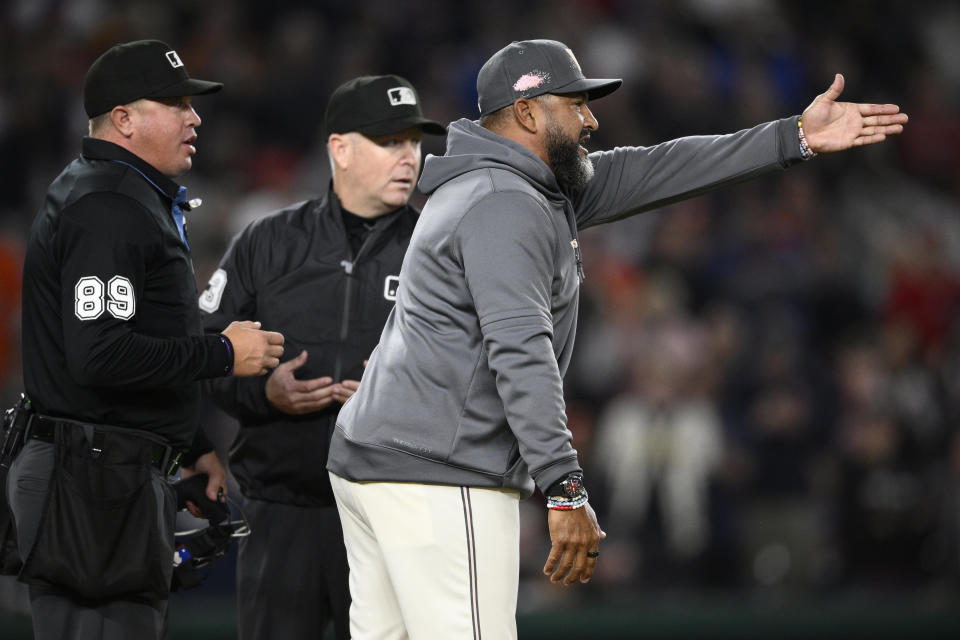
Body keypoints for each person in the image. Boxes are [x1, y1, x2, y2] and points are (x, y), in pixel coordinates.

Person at [326, 39, 908, 638]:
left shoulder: (506, 183)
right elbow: (520, 353)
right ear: (527, 114)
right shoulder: (504, 202)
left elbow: (657, 168)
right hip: (435, 476)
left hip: (378, 462)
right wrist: (565, 487)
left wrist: (794, 137)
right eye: (576, 104)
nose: (591, 119)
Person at [8, 40, 284, 640]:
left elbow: (141, 340)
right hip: (89, 482)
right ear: (125, 120)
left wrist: (187, 443)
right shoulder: (106, 204)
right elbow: (101, 354)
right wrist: (223, 353)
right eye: (177, 103)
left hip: (106, 471)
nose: (195, 118)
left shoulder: (121, 192)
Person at [198, 74, 444, 640]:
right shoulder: (269, 241)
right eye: (391, 142)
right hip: (284, 510)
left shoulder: (437, 246)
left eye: (414, 142)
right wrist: (265, 392)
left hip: (398, 512)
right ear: (341, 148)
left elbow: (478, 374)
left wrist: (399, 405)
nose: (409, 157)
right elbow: (204, 355)